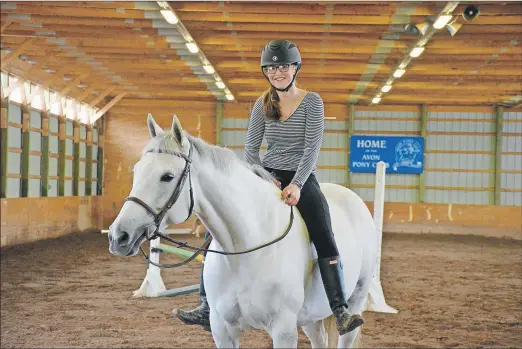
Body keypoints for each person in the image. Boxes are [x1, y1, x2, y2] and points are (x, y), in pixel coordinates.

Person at [173, 39, 364, 335]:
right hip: (265, 176)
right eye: (272, 68)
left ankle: (339, 309)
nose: (278, 72)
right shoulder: (262, 103)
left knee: (324, 234)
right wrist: (262, 176)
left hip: (302, 177)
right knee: (222, 228)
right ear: (266, 71)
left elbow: (311, 149)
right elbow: (250, 149)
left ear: (295, 68)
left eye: (283, 67)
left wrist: (297, 184)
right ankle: (206, 303)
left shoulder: (312, 101)